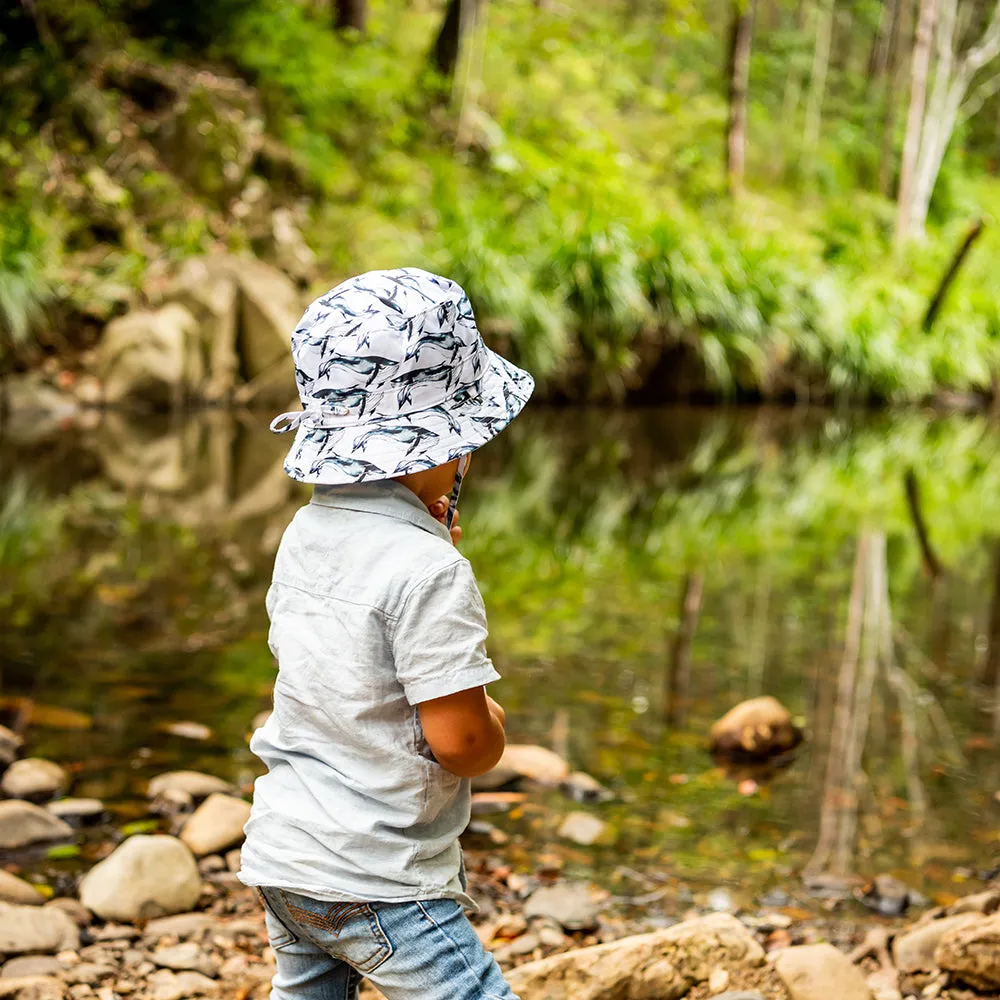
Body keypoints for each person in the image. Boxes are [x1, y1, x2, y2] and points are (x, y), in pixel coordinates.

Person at [239, 267, 534, 1000]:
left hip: (284, 856)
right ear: (443, 443)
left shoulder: (305, 531)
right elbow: (462, 745)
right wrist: (494, 722)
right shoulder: (430, 572)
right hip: (378, 878)